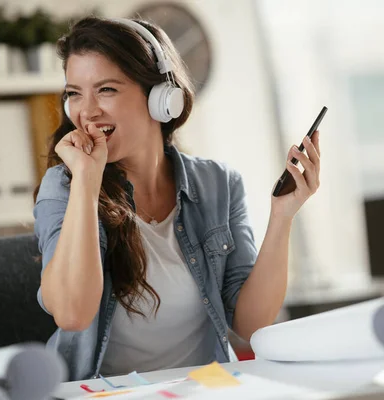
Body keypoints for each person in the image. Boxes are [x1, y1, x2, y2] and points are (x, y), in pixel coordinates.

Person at [33, 16, 321, 382]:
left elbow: (252, 325)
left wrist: (283, 216)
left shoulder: (218, 183)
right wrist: (87, 183)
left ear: (160, 98)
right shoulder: (64, 185)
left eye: (106, 89)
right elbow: (72, 314)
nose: (86, 111)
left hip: (202, 388)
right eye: (74, 93)